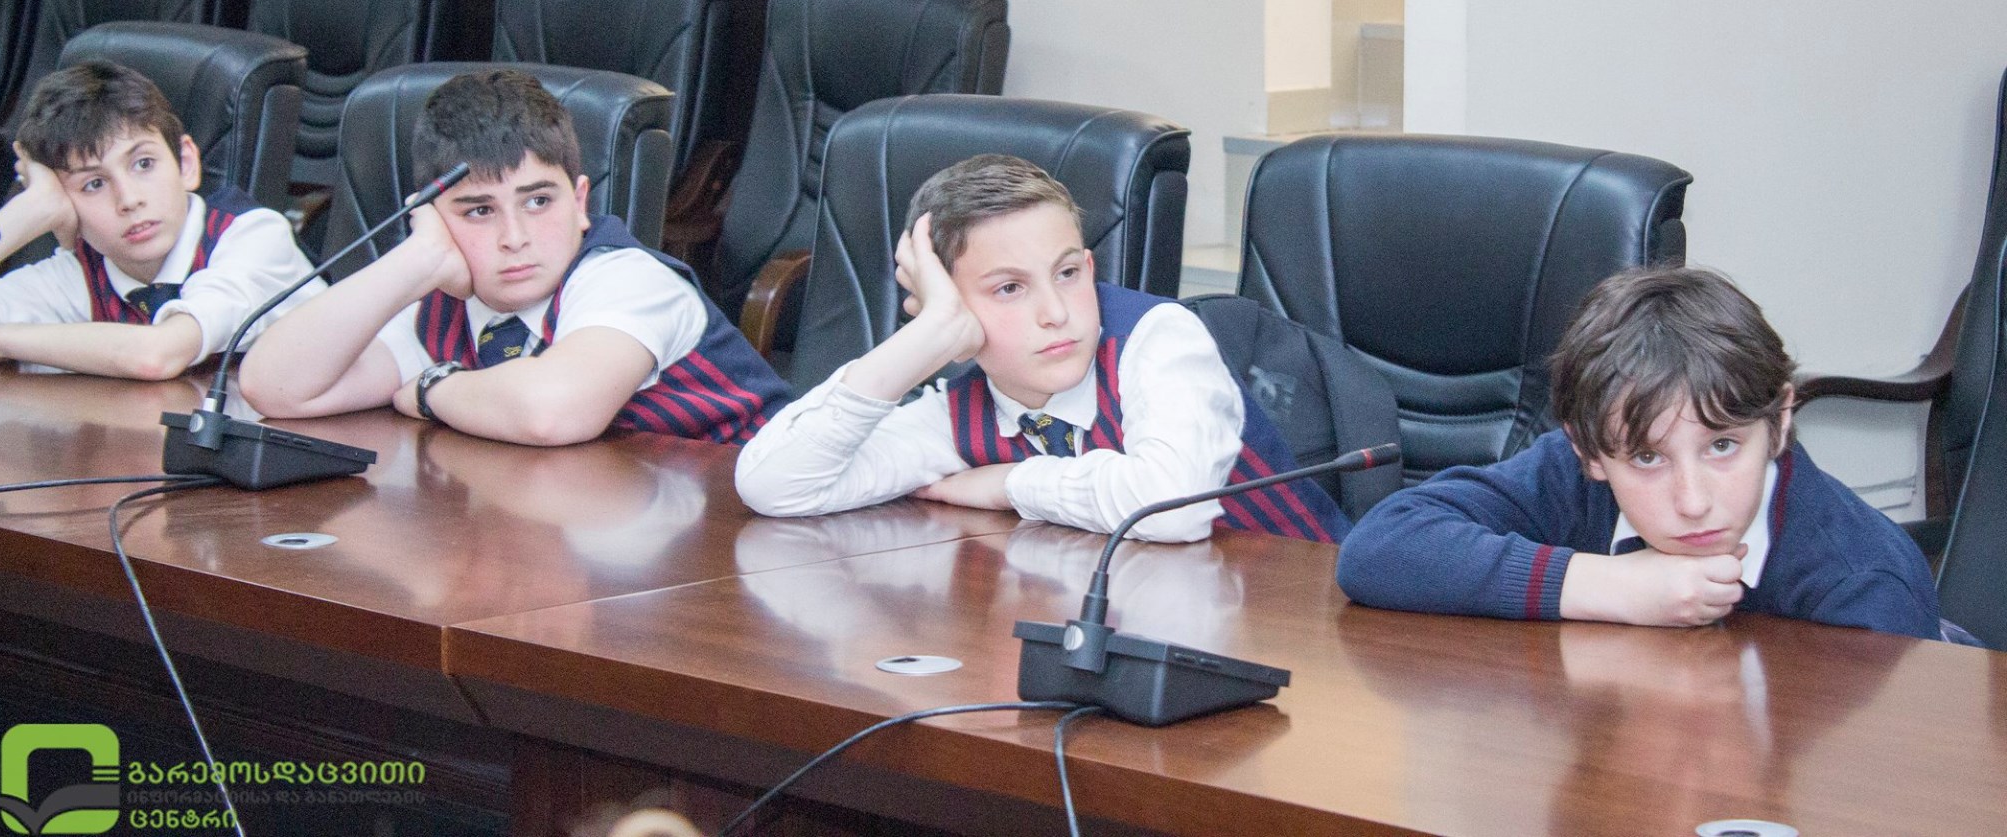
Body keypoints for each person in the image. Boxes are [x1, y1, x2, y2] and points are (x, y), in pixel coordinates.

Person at [735, 153, 1346, 542]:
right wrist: (922, 341)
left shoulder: (1158, 338)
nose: (1055, 312)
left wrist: (1011, 483)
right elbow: (775, 486)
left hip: (1305, 630)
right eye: (1009, 288)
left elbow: (1170, 507)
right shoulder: (958, 413)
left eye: (1067, 274)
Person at [1335, 265, 1946, 639]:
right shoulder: (1575, 477)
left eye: (1723, 446)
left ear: (1780, 420)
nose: (1693, 501)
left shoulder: (1864, 584)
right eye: (1649, 459)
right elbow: (1380, 548)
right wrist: (1618, 587)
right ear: (1589, 453)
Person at [240, 69, 786, 445]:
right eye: (479, 211)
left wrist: (431, 388)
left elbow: (552, 412)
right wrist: (416, 259)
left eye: (538, 201)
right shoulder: (445, 304)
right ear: (430, 216)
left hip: (759, 537)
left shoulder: (627, 279)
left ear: (579, 202)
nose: (514, 236)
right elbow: (277, 388)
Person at [0, 60, 319, 378]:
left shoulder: (253, 237)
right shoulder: (81, 274)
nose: (129, 200)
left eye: (144, 164)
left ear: (185, 163)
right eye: (94, 184)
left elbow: (157, 354)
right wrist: (28, 211)